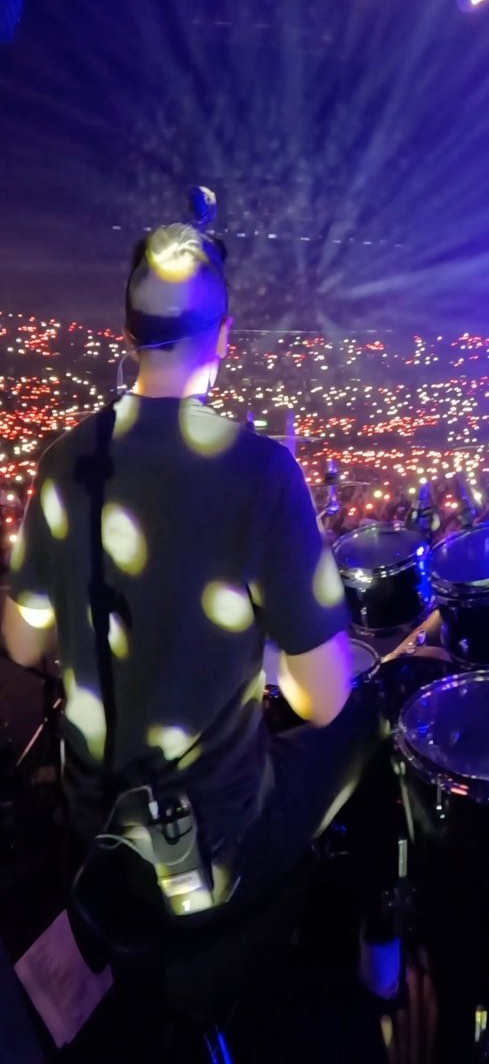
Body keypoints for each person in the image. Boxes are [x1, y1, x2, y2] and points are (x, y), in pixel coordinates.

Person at [2, 209, 385, 923]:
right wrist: (263, 657)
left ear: (130, 338)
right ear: (224, 337)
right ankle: (378, 947)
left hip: (92, 826)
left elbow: (23, 644)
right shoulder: (262, 472)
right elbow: (322, 700)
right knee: (369, 716)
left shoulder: (63, 461)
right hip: (212, 842)